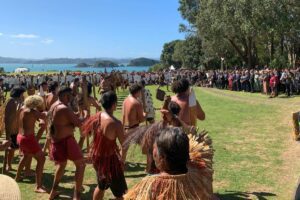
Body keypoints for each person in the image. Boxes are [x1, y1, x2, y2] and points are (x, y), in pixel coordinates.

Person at [124, 127, 214, 200]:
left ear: (162, 157)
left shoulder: (149, 186)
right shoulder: (198, 177)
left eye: (154, 150)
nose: (153, 154)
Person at [82, 91, 127, 200]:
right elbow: (124, 144)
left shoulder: (96, 116)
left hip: (97, 158)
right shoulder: (116, 123)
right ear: (114, 104)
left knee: (101, 186)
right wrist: (122, 160)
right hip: (110, 161)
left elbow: (88, 132)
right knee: (119, 193)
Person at [48, 86, 86, 200]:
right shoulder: (64, 108)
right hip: (66, 141)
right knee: (81, 165)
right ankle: (76, 196)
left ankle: (53, 192)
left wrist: (76, 117)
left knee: (61, 165)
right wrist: (85, 114)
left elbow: (66, 122)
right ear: (66, 95)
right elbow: (79, 123)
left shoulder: (54, 105)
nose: (71, 98)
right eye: (70, 96)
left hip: (57, 140)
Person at [15, 95, 47, 193]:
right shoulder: (31, 112)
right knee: (42, 159)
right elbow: (44, 115)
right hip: (28, 139)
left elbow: (38, 117)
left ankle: (17, 177)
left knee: (25, 156)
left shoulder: (22, 109)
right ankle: (38, 186)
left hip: (21, 137)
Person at [121, 83, 146, 162]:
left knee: (123, 150)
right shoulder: (137, 103)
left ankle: (120, 166)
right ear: (137, 92)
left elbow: (123, 115)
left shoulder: (125, 100)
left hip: (124, 128)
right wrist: (145, 114)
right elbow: (142, 120)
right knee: (147, 147)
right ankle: (150, 167)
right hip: (134, 129)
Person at [4, 86, 25, 172]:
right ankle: (8, 165)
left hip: (17, 130)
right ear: (19, 94)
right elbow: (8, 119)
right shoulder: (12, 102)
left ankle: (11, 165)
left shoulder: (18, 101)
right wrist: (8, 134)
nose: (24, 96)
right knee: (11, 149)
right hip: (12, 130)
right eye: (23, 94)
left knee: (14, 149)